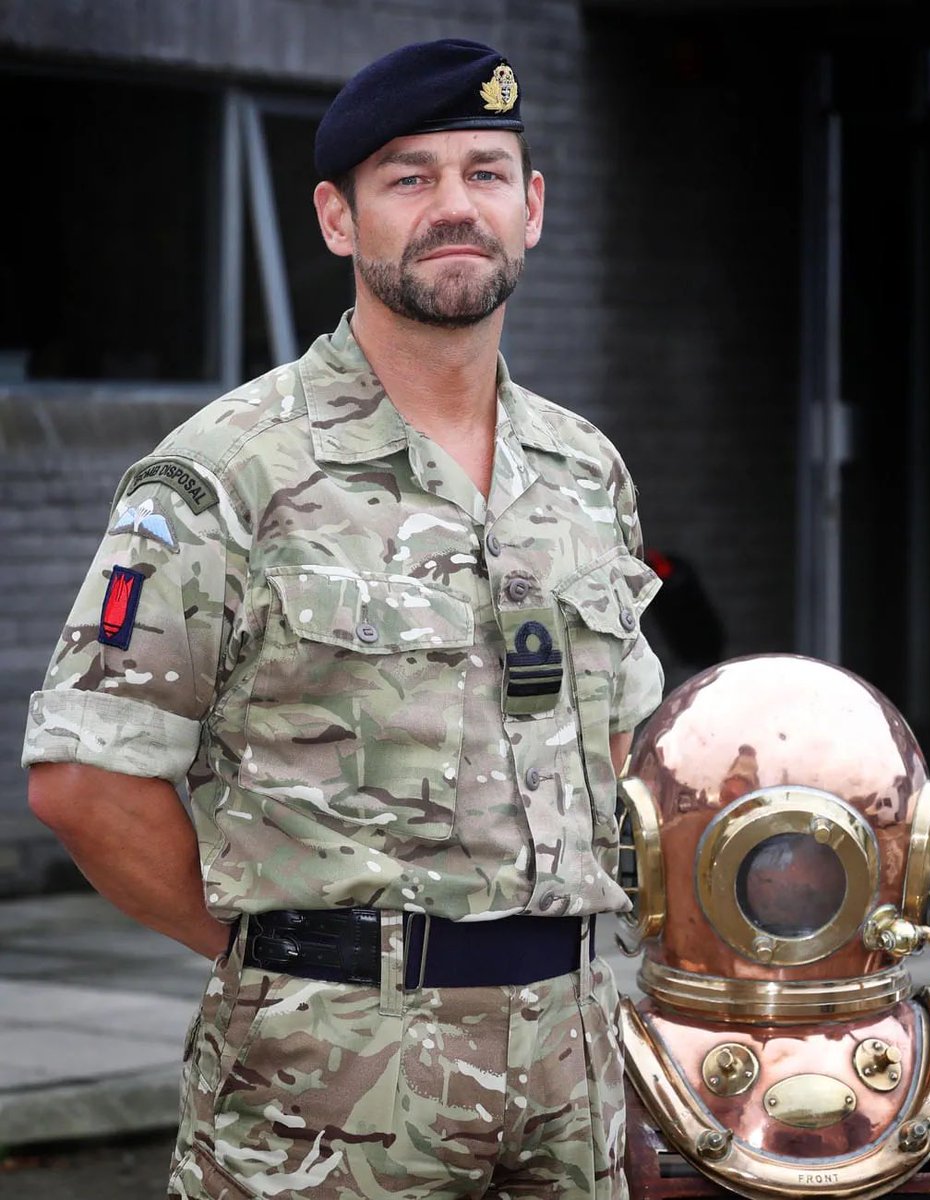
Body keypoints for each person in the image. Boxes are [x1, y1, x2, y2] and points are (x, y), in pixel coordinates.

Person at [23, 38, 663, 1200]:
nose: (453, 205)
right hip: (324, 1105)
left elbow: (627, 760)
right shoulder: (229, 472)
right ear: (336, 218)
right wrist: (278, 968)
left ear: (532, 207)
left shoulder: (583, 471)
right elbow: (87, 780)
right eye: (408, 178)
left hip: (573, 1094)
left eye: (483, 171)